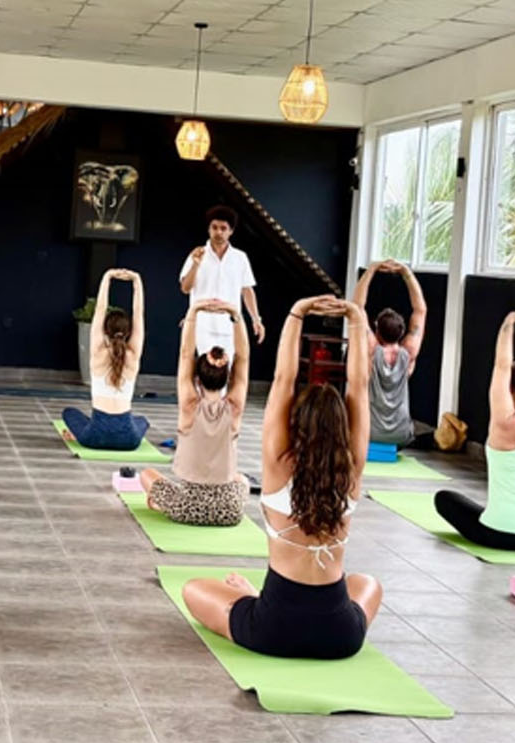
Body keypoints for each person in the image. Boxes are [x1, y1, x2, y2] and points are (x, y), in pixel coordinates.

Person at [180, 295, 381, 660]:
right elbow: (359, 385)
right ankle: (262, 601)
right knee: (368, 584)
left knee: (194, 588)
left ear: (297, 423)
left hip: (273, 628)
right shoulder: (352, 469)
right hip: (340, 636)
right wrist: (355, 315)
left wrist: (296, 312)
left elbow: (284, 377)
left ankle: (255, 598)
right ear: (343, 429)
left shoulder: (277, 463)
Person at [433, 311, 515, 551]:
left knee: (444, 499)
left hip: (500, 533)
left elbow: (502, 366)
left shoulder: (504, 422)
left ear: (509, 388)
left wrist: (509, 321)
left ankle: (501, 517)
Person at [137, 299, 251, 527]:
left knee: (146, 474)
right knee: (243, 480)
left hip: (186, 507)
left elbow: (185, 354)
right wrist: (235, 315)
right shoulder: (235, 407)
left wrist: (193, 311)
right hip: (229, 512)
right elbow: (243, 358)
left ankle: (158, 504)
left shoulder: (189, 404)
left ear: (197, 379)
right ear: (228, 378)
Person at [61, 268, 148, 451]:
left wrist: (107, 276)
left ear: (105, 331)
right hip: (129, 440)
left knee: (69, 413)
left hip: (95, 436)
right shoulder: (133, 355)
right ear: (128, 332)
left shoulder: (98, 352)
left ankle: (80, 435)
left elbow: (100, 309)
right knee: (142, 421)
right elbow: (138, 313)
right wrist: (136, 281)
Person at [352, 259, 428, 447]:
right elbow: (420, 310)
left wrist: (371, 270)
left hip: (368, 432)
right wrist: (406, 272)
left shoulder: (371, 350)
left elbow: (357, 308)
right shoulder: (409, 353)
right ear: (402, 331)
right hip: (401, 436)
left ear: (376, 330)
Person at [179, 205, 264, 358]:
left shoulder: (240, 257)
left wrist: (256, 319)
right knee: (205, 370)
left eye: (223, 228)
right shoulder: (197, 254)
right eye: (215, 227)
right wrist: (196, 265)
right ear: (209, 229)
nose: (218, 232)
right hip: (202, 323)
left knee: (228, 369)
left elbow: (247, 290)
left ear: (231, 231)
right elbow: (185, 288)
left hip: (230, 324)